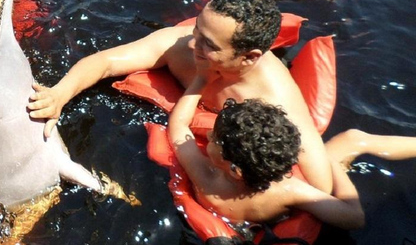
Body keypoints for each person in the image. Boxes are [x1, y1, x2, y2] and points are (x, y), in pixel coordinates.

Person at [29, 0, 332, 193]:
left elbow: (321, 185)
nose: (190, 43)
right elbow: (106, 62)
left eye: (207, 44)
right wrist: (60, 93)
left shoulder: (273, 101)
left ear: (249, 57)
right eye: (197, 29)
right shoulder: (180, 45)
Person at [168, 94, 416, 228]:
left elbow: (178, 126)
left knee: (348, 141)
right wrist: (331, 164)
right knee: (353, 139)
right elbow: (354, 217)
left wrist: (198, 82)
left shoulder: (207, 181)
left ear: (236, 170)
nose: (209, 135)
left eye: (215, 139)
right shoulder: (288, 190)